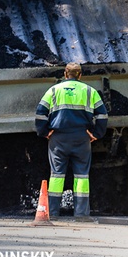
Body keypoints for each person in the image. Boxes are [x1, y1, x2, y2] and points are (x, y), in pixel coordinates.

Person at [35, 62, 108, 220]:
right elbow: (102, 115)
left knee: (56, 175)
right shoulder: (90, 91)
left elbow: (40, 113)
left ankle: (52, 214)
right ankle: (81, 215)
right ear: (80, 75)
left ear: (65, 74)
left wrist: (45, 132)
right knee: (82, 175)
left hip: (58, 138)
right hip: (81, 138)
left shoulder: (53, 90)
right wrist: (96, 134)